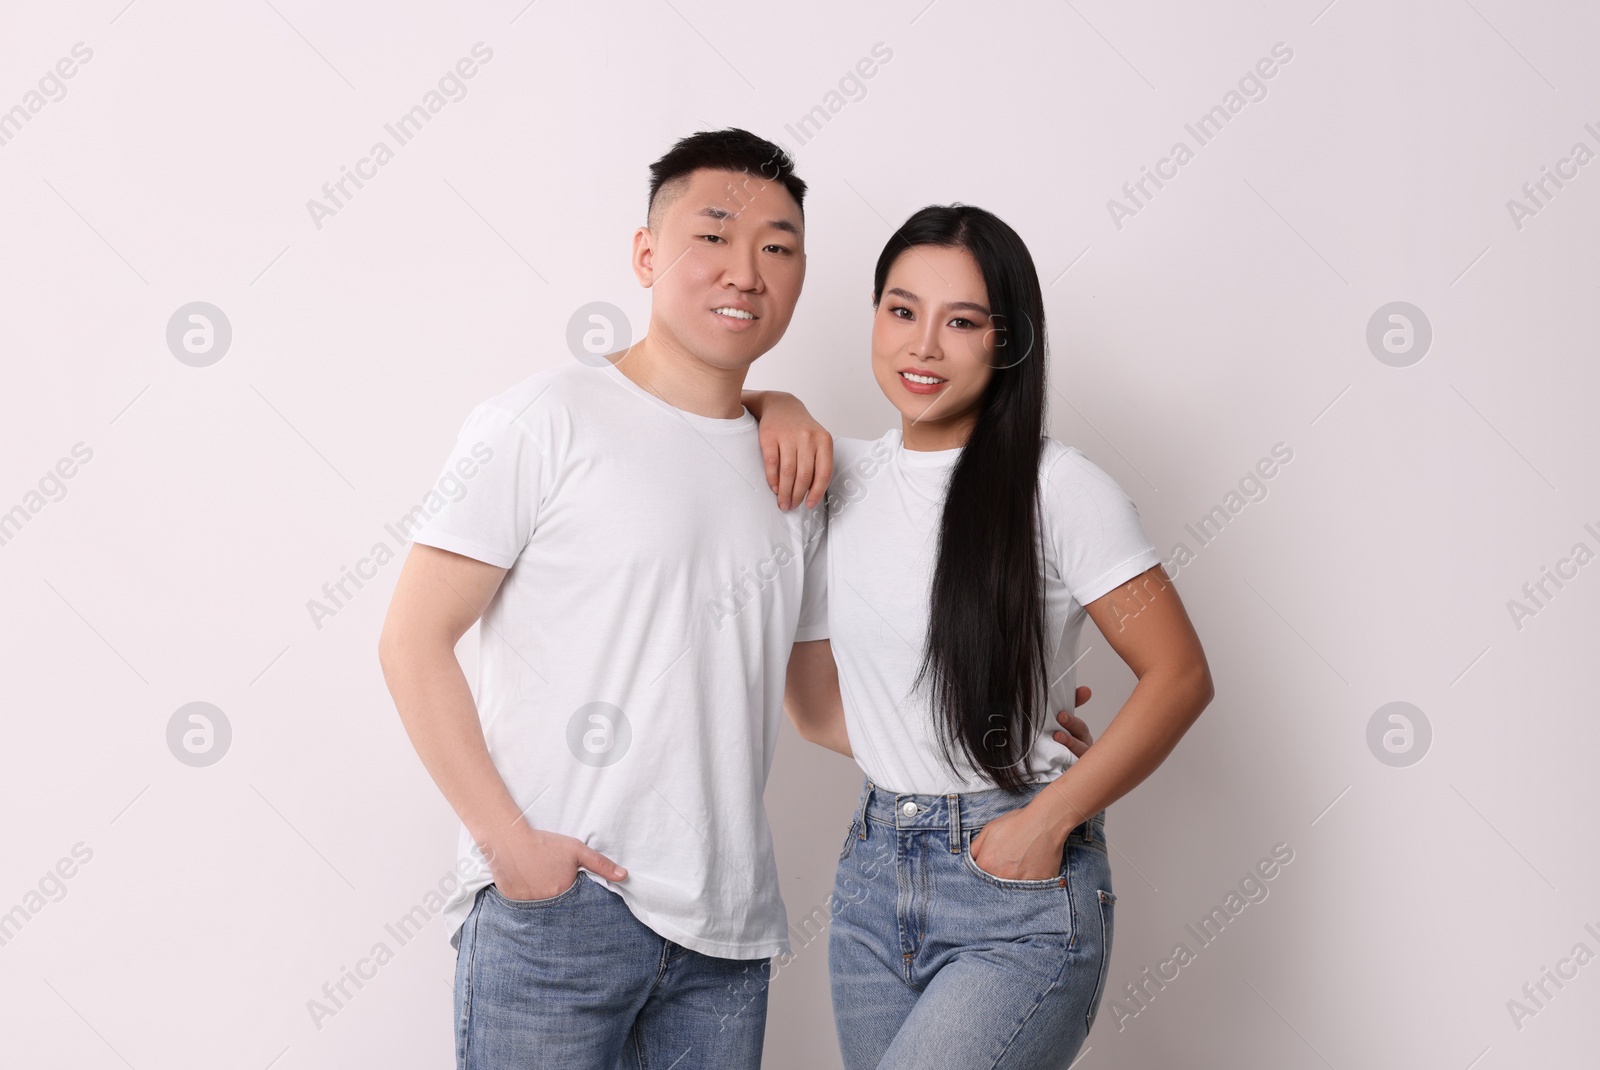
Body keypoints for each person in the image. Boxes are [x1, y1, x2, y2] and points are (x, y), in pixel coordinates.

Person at [771, 203, 1215, 1069]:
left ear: (1008, 341)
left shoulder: (1061, 489)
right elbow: (821, 710)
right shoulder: (838, 479)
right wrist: (776, 400)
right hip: (869, 883)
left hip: (1014, 888)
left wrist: (1044, 818)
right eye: (901, 311)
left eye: (962, 322)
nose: (923, 346)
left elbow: (1179, 675)